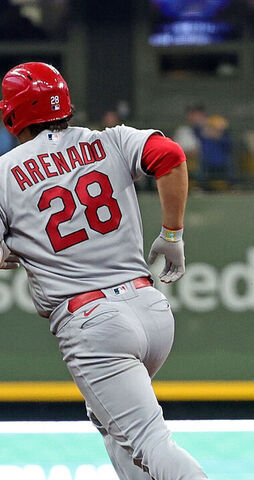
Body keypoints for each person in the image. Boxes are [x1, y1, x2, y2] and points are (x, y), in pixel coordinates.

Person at [0, 62, 208, 479]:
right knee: (114, 426)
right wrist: (172, 234)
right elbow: (169, 156)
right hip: (150, 308)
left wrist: (17, 248)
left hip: (94, 324)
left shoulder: (5, 173)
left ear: (11, 115)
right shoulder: (109, 139)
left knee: (150, 441)